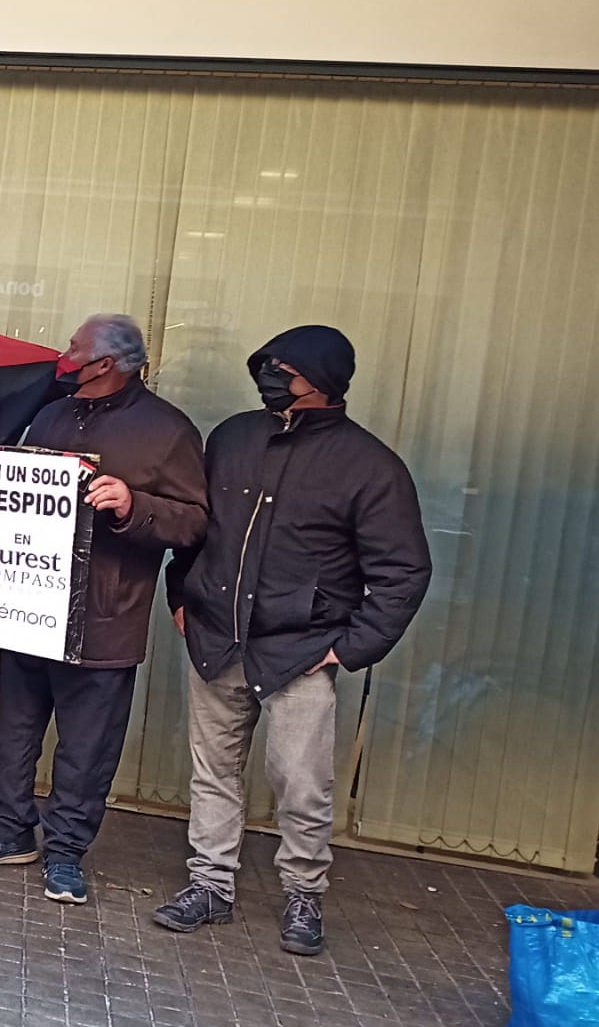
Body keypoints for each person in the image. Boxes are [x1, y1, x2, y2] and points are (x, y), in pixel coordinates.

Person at [152, 325, 431, 956]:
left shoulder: (370, 467)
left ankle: (304, 894)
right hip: (217, 641)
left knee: (302, 786)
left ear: (324, 380)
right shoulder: (233, 437)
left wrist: (349, 648)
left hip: (301, 654)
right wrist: (182, 596)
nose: (270, 375)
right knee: (213, 774)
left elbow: (404, 571)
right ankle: (210, 886)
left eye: (285, 368)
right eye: (267, 364)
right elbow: (196, 529)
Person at [0, 315, 207, 905]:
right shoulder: (51, 414)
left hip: (105, 616)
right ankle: (9, 831)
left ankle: (65, 852)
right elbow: (20, 490)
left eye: (74, 348)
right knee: (15, 729)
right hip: (28, 605)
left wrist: (132, 504)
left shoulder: (168, 430)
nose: (64, 355)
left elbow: (195, 522)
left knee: (87, 746)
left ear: (107, 363)